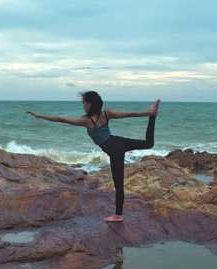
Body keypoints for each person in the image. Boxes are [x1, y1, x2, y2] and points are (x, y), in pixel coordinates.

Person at [26, 91, 160, 222]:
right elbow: (130, 114)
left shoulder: (87, 121)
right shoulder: (107, 114)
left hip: (115, 150)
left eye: (84, 102)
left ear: (90, 104)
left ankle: (118, 215)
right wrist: (148, 113)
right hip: (119, 142)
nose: (83, 105)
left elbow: (62, 119)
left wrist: (40, 116)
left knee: (119, 185)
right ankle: (153, 116)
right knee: (149, 143)